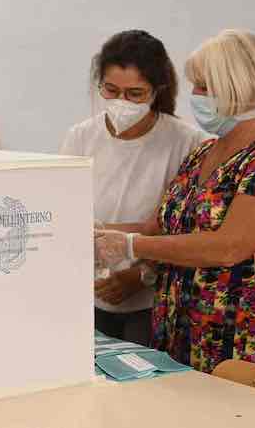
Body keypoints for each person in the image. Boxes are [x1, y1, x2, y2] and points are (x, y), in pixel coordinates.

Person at [95, 29, 255, 375]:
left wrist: (131, 245)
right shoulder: (204, 152)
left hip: (242, 336)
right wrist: (98, 231)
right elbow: (159, 226)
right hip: (179, 330)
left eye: (204, 87)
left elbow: (228, 246)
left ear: (236, 88)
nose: (194, 96)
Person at [61, 30, 206, 345]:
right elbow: (63, 212)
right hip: (88, 293)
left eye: (135, 93)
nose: (121, 102)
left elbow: (188, 228)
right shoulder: (81, 137)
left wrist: (141, 275)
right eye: (111, 90)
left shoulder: (186, 142)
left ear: (157, 90)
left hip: (151, 301)